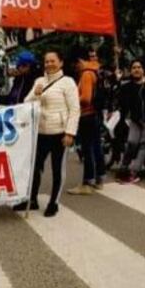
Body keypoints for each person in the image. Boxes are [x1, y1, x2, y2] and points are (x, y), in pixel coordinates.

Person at [15, 50, 79, 216]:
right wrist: (36, 94)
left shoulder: (68, 82)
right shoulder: (39, 81)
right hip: (40, 132)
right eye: (46, 61)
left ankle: (54, 202)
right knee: (35, 167)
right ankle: (32, 199)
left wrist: (70, 133)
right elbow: (26, 103)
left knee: (57, 168)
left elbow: (74, 109)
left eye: (53, 61)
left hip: (60, 133)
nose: (49, 64)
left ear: (61, 62)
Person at [116, 59, 145, 184]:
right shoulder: (127, 86)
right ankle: (123, 166)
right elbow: (121, 102)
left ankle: (134, 172)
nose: (136, 70)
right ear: (130, 71)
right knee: (131, 142)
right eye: (134, 68)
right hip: (136, 120)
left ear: (143, 70)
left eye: (139, 67)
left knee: (144, 144)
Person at [68, 47, 106, 195]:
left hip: (87, 115)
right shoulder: (95, 72)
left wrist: (72, 101)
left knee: (87, 149)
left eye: (75, 64)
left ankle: (87, 182)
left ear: (79, 61)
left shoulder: (86, 75)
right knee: (96, 147)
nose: (75, 67)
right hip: (94, 115)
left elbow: (85, 98)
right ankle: (99, 178)